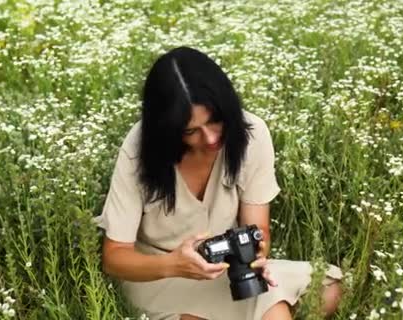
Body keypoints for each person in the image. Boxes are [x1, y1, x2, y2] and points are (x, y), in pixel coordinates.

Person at [95, 46, 342, 320]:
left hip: (227, 269)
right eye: (190, 131)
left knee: (331, 288)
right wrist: (173, 265)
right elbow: (115, 258)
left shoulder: (251, 133)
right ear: (166, 129)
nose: (211, 139)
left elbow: (257, 228)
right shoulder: (139, 149)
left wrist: (256, 255)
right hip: (159, 275)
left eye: (215, 122)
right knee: (274, 308)